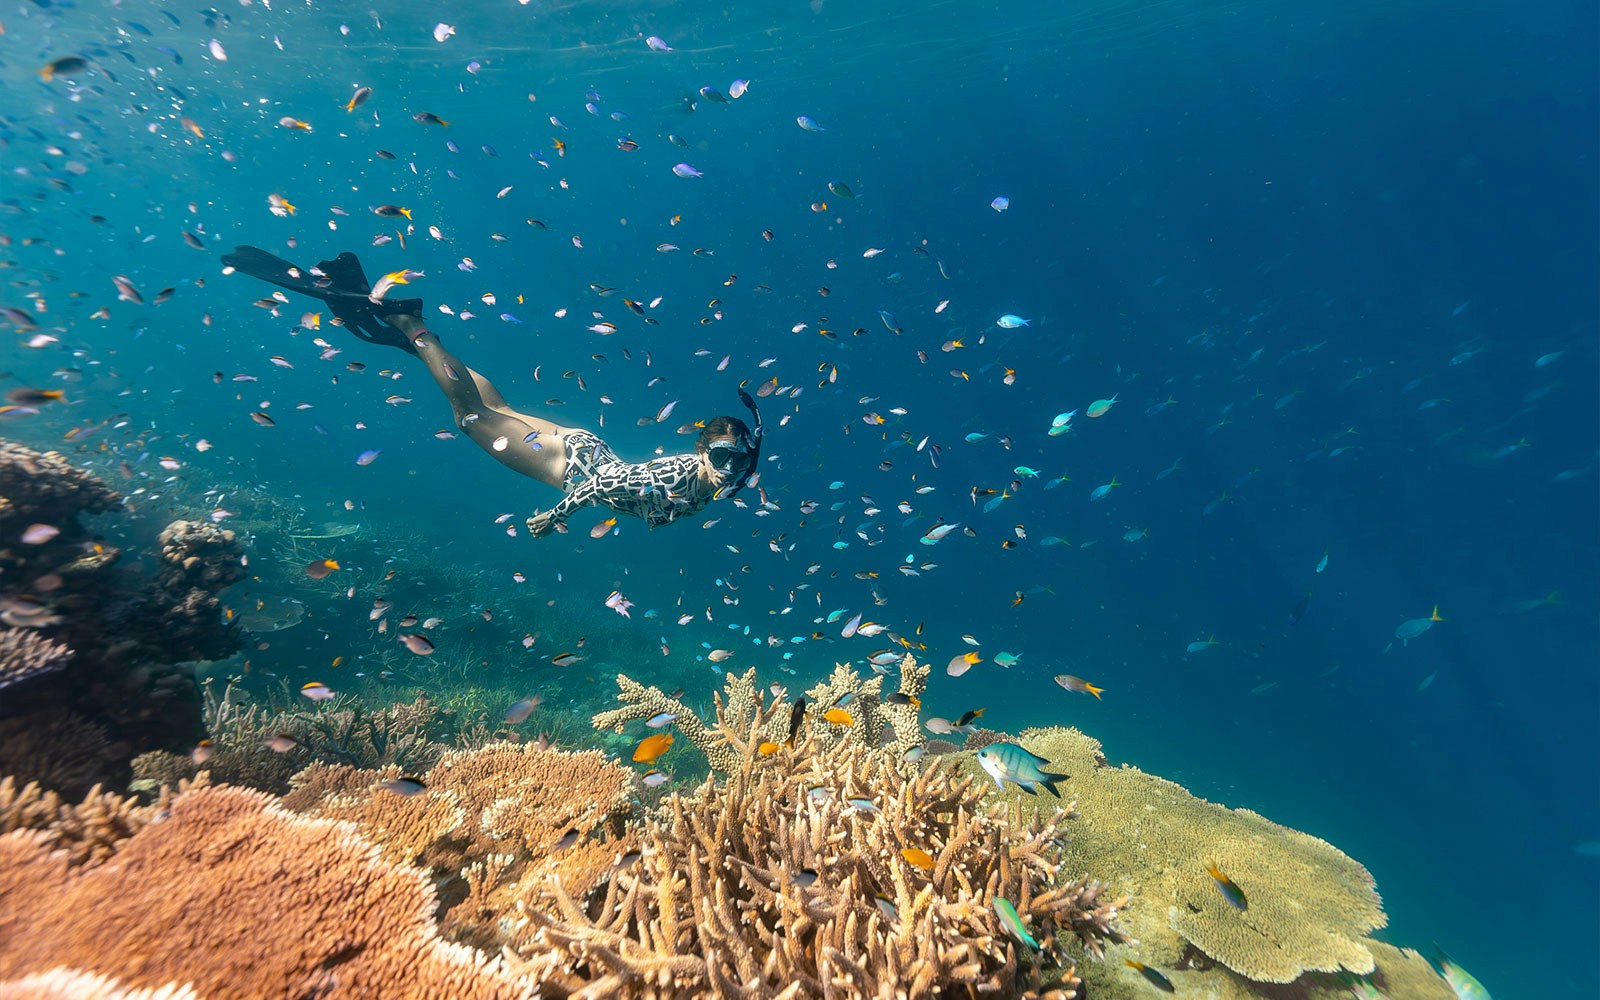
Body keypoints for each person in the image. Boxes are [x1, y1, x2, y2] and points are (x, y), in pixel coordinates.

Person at [221, 245, 762, 535]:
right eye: (722, 456)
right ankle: (413, 327)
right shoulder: (680, 471)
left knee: (492, 407)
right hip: (564, 464)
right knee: (469, 415)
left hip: (576, 450)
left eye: (738, 459)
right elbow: (608, 484)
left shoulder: (725, 477)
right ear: (700, 449)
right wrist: (555, 517)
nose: (732, 468)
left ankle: (417, 343)